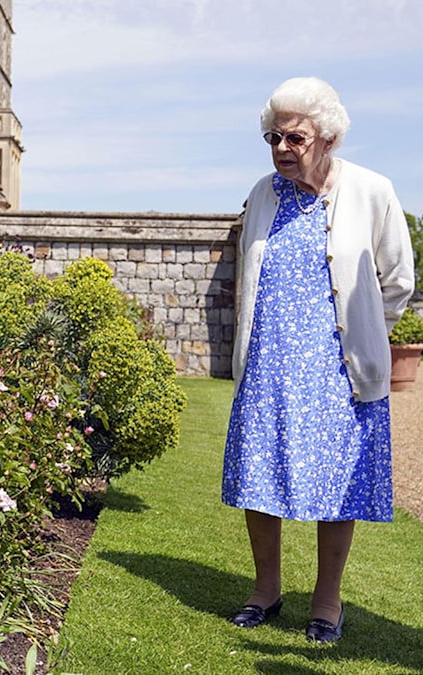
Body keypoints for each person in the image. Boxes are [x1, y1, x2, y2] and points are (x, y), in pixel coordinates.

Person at [222, 76, 415, 644]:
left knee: (339, 484)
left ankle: (327, 602)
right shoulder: (261, 194)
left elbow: (398, 281)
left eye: (295, 138)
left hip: (338, 371)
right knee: (259, 476)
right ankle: (265, 590)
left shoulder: (372, 190)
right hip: (269, 365)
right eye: (273, 137)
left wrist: (365, 338)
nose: (282, 148)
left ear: (326, 136)